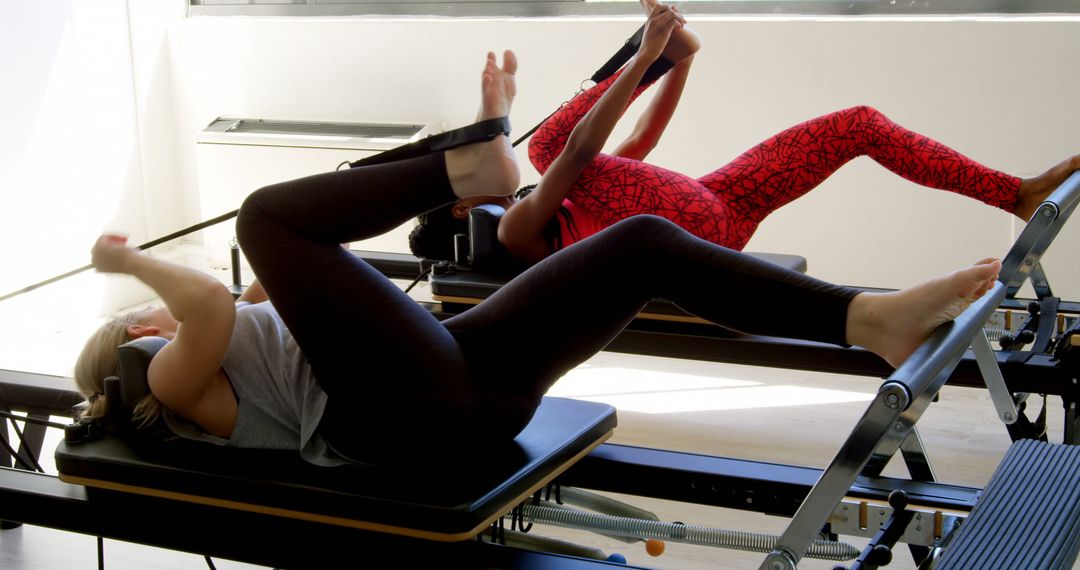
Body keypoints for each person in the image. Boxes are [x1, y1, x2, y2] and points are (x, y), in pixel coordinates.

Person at [74, 38, 1001, 468]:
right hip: (403, 428)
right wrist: (131, 270)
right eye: (138, 319)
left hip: (461, 394)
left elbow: (283, 308)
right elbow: (200, 303)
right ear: (135, 338)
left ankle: (864, 318)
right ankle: (471, 163)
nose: (157, 314)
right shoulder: (162, 377)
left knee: (641, 243)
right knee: (265, 223)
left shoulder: (249, 340)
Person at [408, 0, 1080, 265]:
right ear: (463, 205)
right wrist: (647, 57)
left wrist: (681, 63)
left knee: (858, 125)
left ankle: (1012, 193)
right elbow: (582, 146)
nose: (475, 162)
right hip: (700, 234)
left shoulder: (556, 198)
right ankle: (654, 48)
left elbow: (637, 145)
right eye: (464, 168)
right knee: (550, 146)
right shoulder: (516, 230)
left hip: (720, 198)